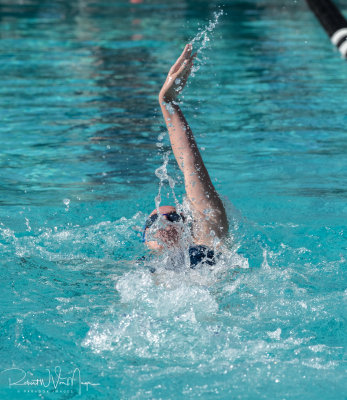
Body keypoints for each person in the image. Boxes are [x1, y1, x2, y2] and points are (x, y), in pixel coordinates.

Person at [142, 44, 228, 269]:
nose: (163, 225)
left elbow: (191, 168)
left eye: (172, 219)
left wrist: (166, 102)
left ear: (189, 228)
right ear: (145, 239)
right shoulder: (134, 272)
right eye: (154, 222)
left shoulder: (208, 241)